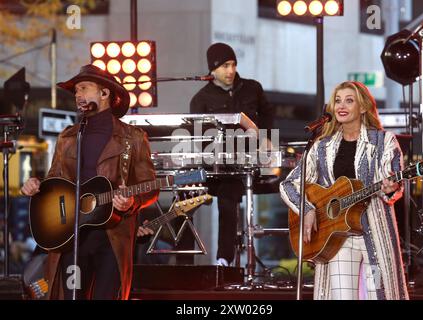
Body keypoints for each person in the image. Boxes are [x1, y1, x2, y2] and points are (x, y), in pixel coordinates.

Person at [21, 65, 159, 300]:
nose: (77, 95)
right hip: (71, 234)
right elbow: (55, 180)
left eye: (84, 88)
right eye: (75, 91)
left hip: (113, 237)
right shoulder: (67, 137)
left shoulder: (133, 138)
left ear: (104, 93)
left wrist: (132, 202)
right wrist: (36, 186)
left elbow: (151, 186)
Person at [280, 81, 409, 300]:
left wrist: (391, 187)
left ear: (363, 107)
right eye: (338, 100)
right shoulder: (322, 146)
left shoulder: (383, 141)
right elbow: (289, 184)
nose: (342, 105)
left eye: (349, 101)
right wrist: (308, 209)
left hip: (376, 235)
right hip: (338, 238)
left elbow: (393, 179)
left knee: (380, 291)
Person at [190, 43, 274, 267]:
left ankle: (223, 259)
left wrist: (266, 138)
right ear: (212, 69)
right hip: (215, 166)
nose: (230, 70)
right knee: (184, 199)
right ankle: (183, 261)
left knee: (228, 200)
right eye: (225, 65)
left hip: (247, 166)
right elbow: (197, 137)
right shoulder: (201, 99)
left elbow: (267, 115)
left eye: (233, 64)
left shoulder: (252, 88)